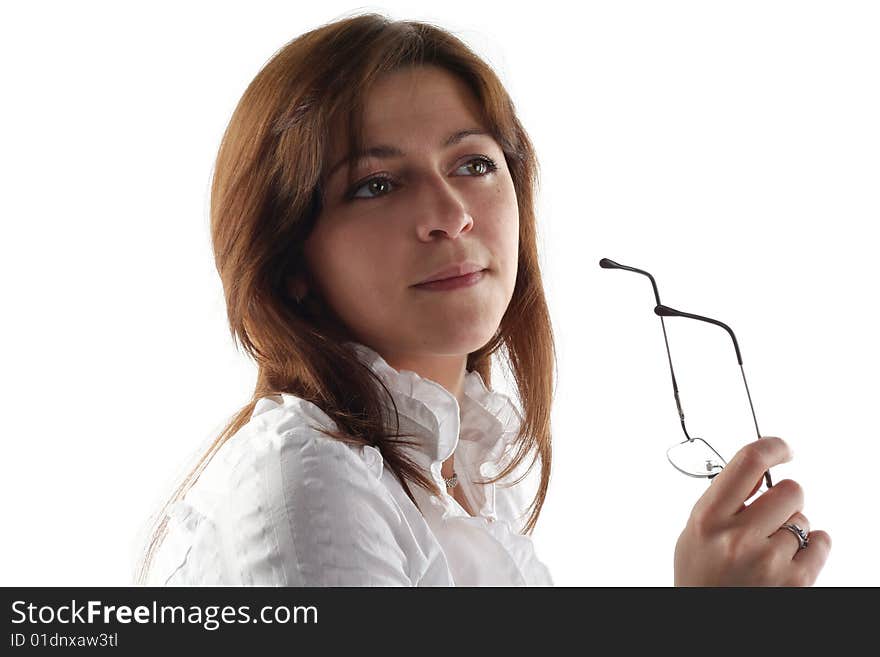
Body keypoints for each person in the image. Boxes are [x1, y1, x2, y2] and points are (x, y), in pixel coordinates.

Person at [134, 12, 830, 587]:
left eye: (473, 164)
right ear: (291, 262)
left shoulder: (466, 472)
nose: (450, 213)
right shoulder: (308, 481)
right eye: (376, 183)